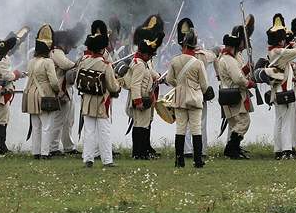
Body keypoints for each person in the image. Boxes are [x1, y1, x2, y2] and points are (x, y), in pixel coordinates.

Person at [167, 21, 212, 168]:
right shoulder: (198, 63)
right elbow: (204, 85)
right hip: (194, 98)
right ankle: (197, 160)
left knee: (180, 129)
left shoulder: (174, 61)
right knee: (196, 129)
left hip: (180, 98)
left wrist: (179, 86)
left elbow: (169, 80)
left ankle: (179, 160)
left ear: (184, 45)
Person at [79, 20, 121, 168]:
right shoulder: (106, 65)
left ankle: (88, 159)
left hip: (88, 100)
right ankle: (107, 160)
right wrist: (119, 84)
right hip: (101, 101)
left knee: (89, 131)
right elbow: (113, 86)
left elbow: (79, 78)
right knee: (104, 131)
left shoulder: (84, 61)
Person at [266, 14, 296, 160]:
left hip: (277, 90)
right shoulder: (280, 52)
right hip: (284, 90)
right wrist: (294, 43)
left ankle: (278, 149)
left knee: (279, 120)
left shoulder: (272, 50)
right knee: (286, 121)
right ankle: (287, 150)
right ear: (280, 39)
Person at [125, 15, 164, 160]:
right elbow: (135, 85)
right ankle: (139, 153)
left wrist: (159, 77)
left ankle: (143, 152)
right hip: (141, 99)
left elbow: (151, 73)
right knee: (140, 127)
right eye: (149, 54)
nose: (151, 56)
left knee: (143, 125)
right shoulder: (140, 64)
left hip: (145, 97)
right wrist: (138, 101)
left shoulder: (142, 62)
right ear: (145, 53)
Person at [217, 18, 256, 160]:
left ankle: (234, 148)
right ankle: (231, 149)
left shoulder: (225, 58)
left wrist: (247, 68)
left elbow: (238, 73)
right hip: (234, 94)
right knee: (244, 122)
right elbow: (238, 79)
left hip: (229, 93)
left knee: (236, 123)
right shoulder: (229, 60)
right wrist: (249, 84)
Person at [22, 24, 61, 159]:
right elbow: (54, 82)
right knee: (46, 126)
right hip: (45, 95)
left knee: (36, 126)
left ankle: (36, 152)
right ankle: (45, 153)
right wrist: (57, 91)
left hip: (32, 95)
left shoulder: (31, 61)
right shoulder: (48, 62)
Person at [0, 28, 28, 155]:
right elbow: (6, 75)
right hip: (1, 90)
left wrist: (18, 74)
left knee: (3, 118)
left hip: (4, 89)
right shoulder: (3, 58)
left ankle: (1, 145)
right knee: (0, 119)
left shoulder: (3, 57)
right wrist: (16, 74)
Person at [49, 24, 84, 156]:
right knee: (59, 121)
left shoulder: (59, 53)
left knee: (68, 121)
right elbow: (67, 65)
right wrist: (81, 63)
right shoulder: (56, 52)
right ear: (65, 43)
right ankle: (53, 148)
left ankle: (68, 146)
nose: (71, 48)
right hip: (60, 91)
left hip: (67, 90)